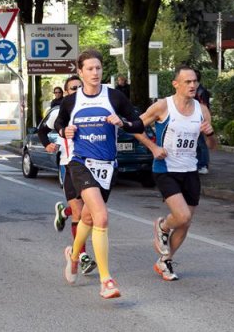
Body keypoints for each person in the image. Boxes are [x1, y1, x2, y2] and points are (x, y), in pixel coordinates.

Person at [55, 49, 145, 299]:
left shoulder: (114, 97)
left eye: (98, 68)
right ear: (80, 72)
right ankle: (106, 280)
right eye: (90, 69)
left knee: (88, 217)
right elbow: (58, 124)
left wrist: (122, 123)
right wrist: (65, 132)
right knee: (101, 217)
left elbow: (138, 124)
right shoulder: (71, 101)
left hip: (107, 166)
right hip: (80, 162)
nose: (95, 73)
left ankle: (73, 256)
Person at [134, 66, 216, 281]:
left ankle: (165, 261)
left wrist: (210, 134)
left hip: (190, 170)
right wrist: (153, 148)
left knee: (186, 223)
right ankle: (162, 225)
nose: (192, 85)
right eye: (187, 82)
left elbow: (212, 145)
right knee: (182, 216)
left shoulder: (201, 109)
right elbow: (135, 127)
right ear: (176, 84)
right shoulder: (163, 106)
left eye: (195, 81)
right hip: (166, 169)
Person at [37, 75, 97, 275]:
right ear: (66, 91)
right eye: (73, 88)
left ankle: (64, 212)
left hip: (91, 165)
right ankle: (82, 255)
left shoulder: (93, 107)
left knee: (91, 211)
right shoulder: (59, 111)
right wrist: (47, 144)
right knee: (81, 213)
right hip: (69, 165)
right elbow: (42, 130)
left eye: (80, 86)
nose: (77, 90)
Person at [194, 69, 211, 174]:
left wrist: (205, 121)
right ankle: (200, 164)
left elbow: (204, 107)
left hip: (200, 120)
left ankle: (203, 165)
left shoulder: (201, 91)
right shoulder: (197, 90)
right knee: (197, 144)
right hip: (195, 119)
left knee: (201, 144)